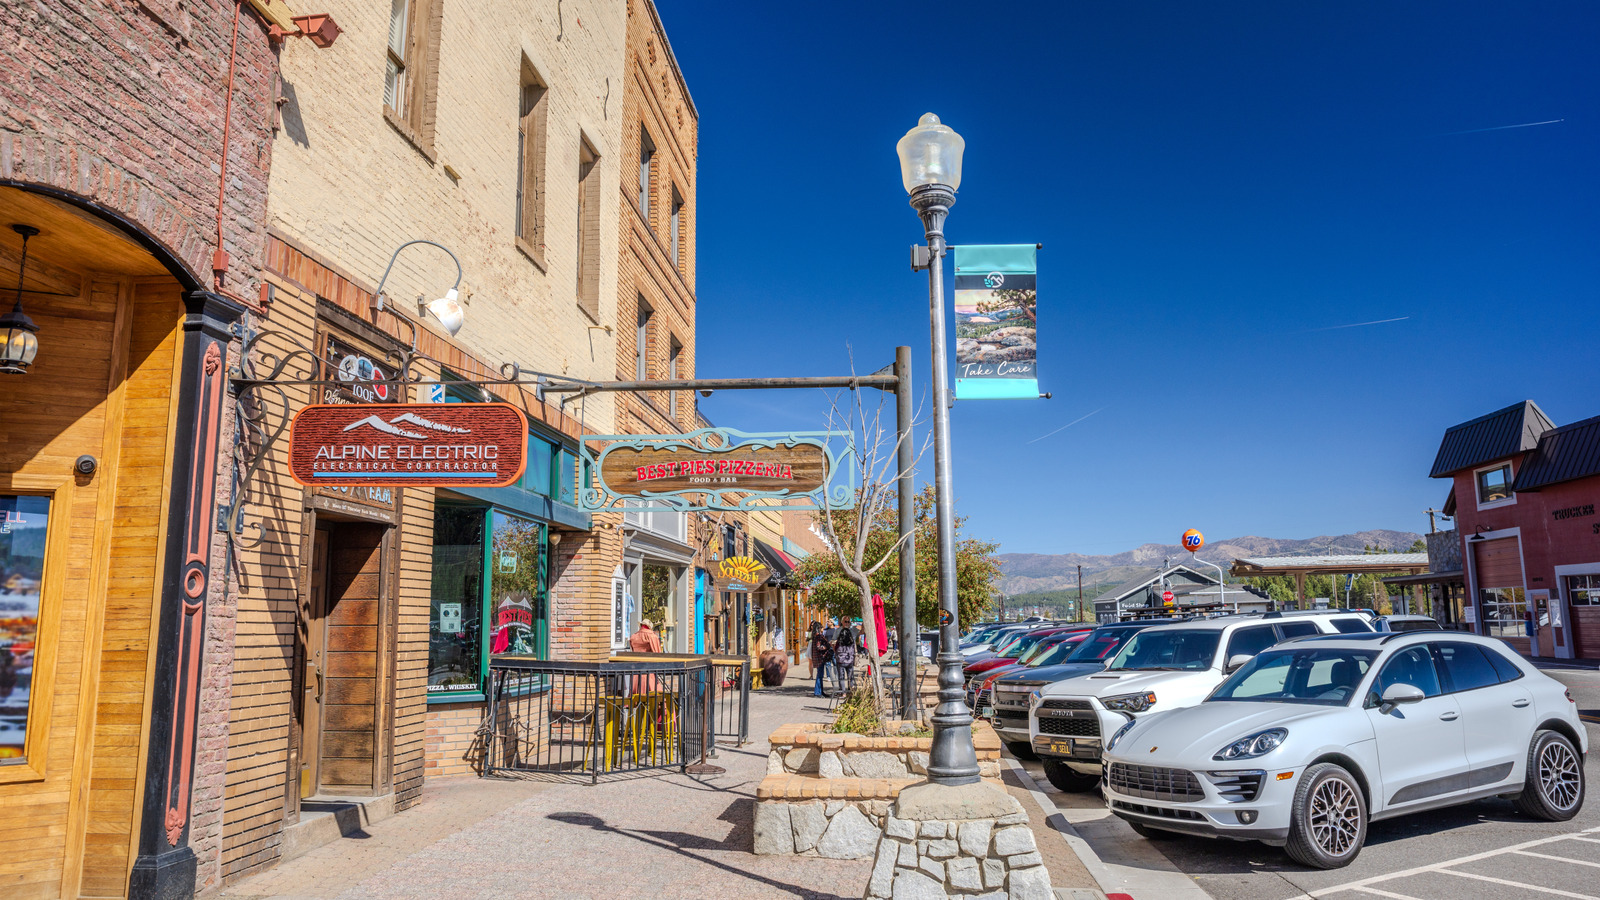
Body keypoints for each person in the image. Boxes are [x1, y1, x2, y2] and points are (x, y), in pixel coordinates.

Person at [809, 623, 833, 697]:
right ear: (818, 628)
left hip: (818, 658)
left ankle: (820, 691)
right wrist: (827, 646)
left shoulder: (815, 636)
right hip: (820, 658)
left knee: (820, 675)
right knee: (819, 675)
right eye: (821, 627)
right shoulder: (818, 636)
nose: (822, 629)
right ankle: (817, 692)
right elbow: (819, 647)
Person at [833, 623, 858, 695]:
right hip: (849, 660)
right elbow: (853, 649)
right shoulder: (851, 641)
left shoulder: (839, 642)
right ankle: (851, 690)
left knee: (841, 677)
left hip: (840, 660)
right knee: (850, 677)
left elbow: (836, 649)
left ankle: (843, 692)